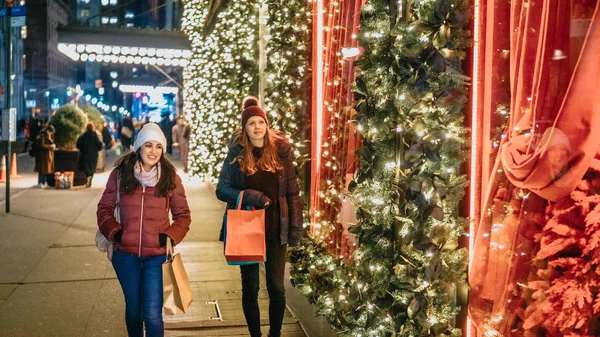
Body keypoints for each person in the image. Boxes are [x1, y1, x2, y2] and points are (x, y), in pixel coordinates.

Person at [216, 97, 304, 337]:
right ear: (245, 127)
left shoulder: (281, 152)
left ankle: (274, 334)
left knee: (276, 287)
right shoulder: (237, 153)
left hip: (277, 228)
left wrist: (296, 228)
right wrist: (251, 196)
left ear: (267, 124)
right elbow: (221, 190)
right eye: (251, 123)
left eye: (261, 122)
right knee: (251, 288)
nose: (257, 127)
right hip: (246, 228)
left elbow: (293, 192)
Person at [97, 123, 192, 337]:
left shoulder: (170, 177)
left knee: (151, 315)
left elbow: (183, 216)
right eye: (148, 145)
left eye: (159, 146)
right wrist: (116, 233)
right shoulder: (121, 174)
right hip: (125, 255)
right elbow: (104, 209)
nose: (153, 151)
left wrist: (169, 236)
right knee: (133, 312)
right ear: (139, 146)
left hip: (157, 257)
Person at [76, 123, 103, 188]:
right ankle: (90, 178)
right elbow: (99, 144)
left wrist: (81, 149)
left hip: (85, 154)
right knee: (92, 167)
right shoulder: (94, 135)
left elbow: (78, 143)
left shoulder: (84, 135)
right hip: (93, 154)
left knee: (86, 167)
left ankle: (88, 179)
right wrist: (98, 149)